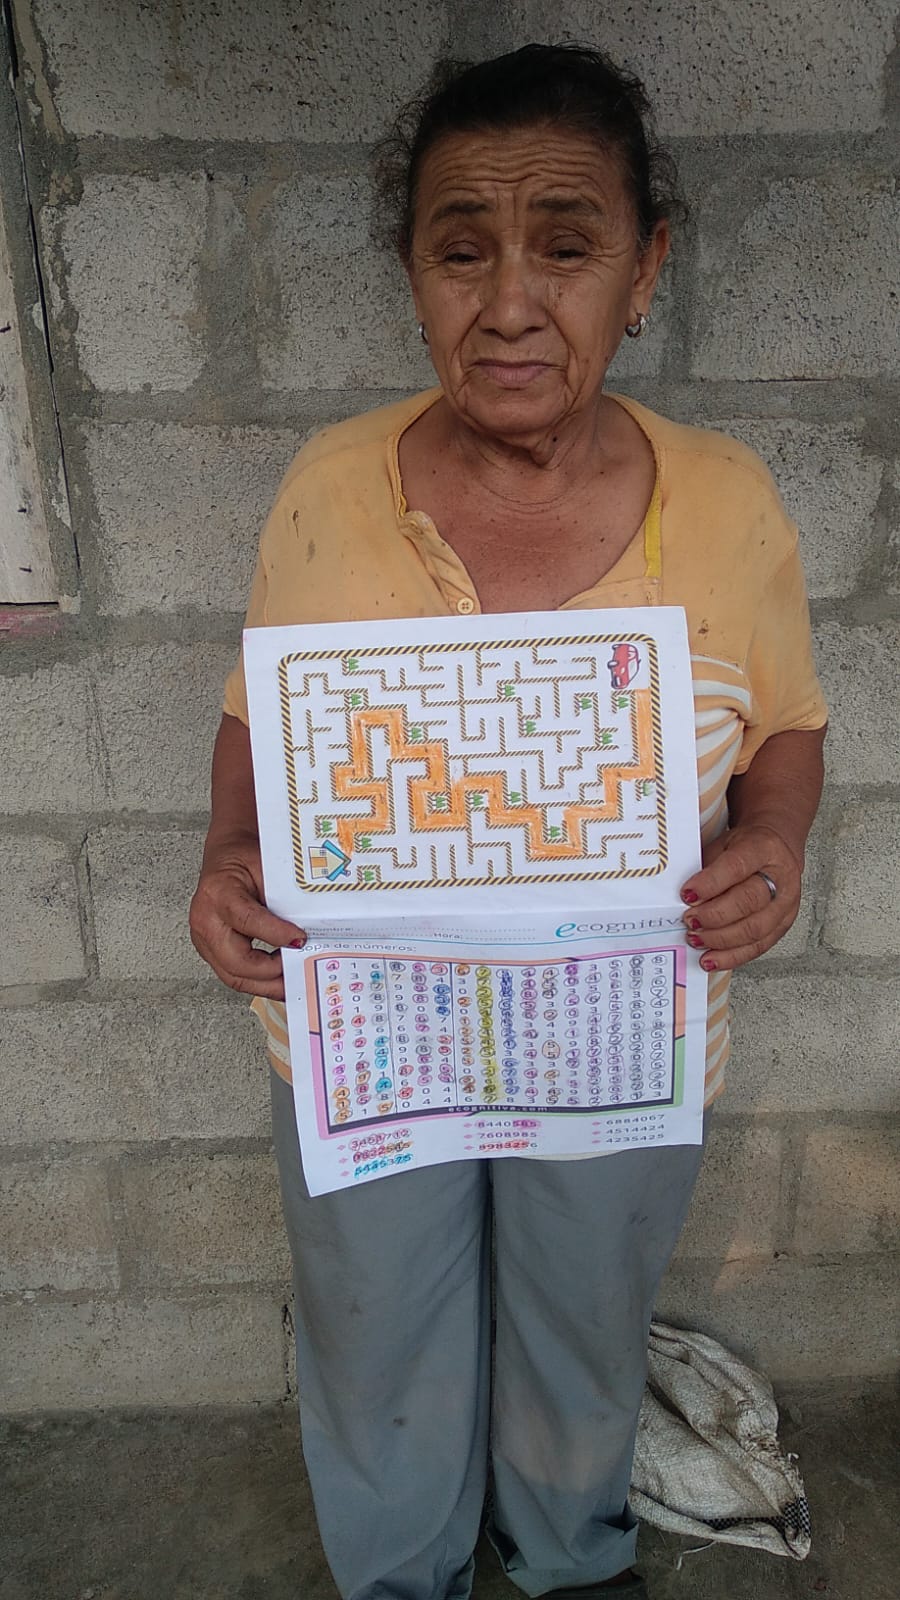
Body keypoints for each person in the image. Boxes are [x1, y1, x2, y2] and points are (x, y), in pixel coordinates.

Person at [190, 44, 827, 1600]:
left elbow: (786, 726)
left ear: (645, 269)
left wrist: (775, 848)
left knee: (580, 1322)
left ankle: (567, 1559)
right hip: (370, 1032)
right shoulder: (330, 483)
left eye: (567, 245)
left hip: (617, 1024)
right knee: (375, 1330)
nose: (512, 302)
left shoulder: (728, 499)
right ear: (414, 274)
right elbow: (256, 711)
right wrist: (225, 855)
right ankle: (400, 1573)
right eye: (462, 249)